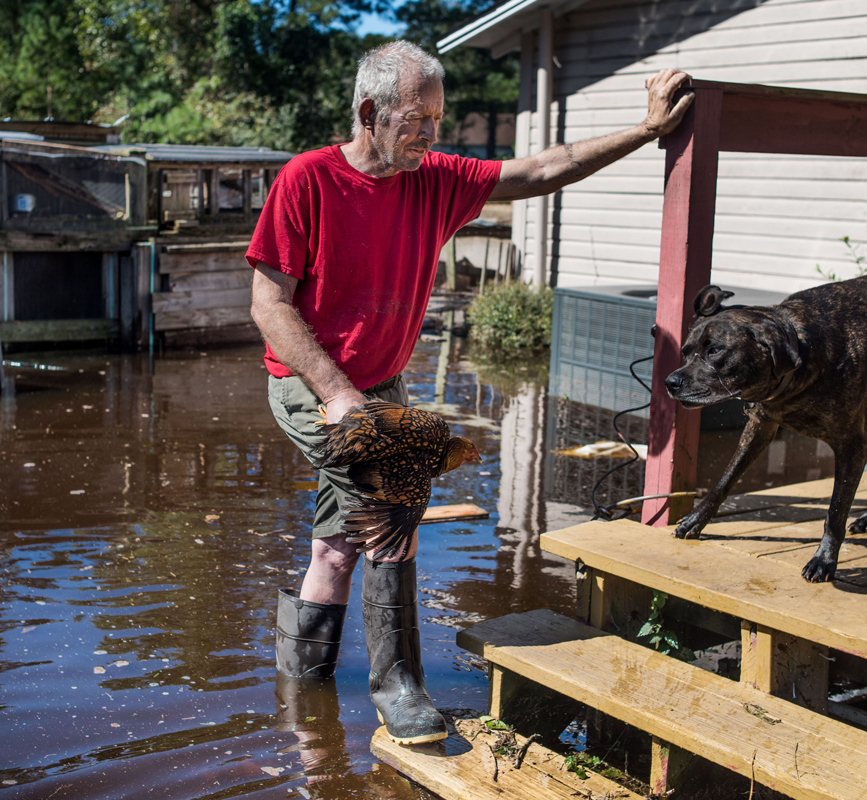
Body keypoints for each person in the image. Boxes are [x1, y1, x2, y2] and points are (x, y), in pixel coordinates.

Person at [249, 40, 693, 746]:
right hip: (311, 383)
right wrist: (335, 392)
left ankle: (304, 711)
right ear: (369, 112)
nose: (431, 132)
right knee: (397, 485)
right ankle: (398, 685)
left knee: (338, 549)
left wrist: (645, 132)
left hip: (382, 382)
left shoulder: (434, 179)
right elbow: (270, 306)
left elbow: (543, 168)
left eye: (438, 117)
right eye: (417, 117)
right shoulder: (308, 181)